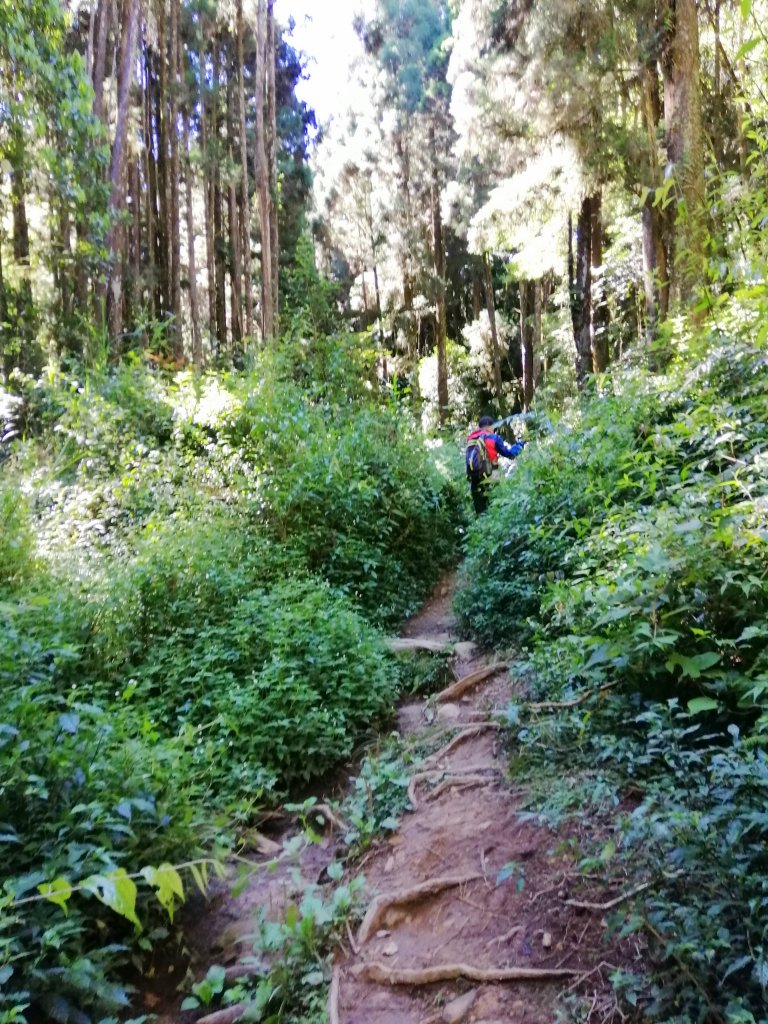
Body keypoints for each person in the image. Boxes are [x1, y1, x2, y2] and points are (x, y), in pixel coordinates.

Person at [466, 415, 525, 515]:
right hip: (491, 476)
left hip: (474, 479)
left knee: (481, 512)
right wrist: (520, 445)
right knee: (495, 507)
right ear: (490, 426)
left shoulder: (470, 440)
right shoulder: (493, 438)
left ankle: (482, 528)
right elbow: (509, 454)